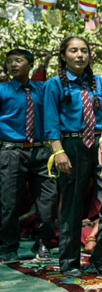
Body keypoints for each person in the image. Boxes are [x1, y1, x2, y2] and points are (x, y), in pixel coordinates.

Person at [44, 37, 102, 277]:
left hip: (100, 144)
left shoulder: (97, 82)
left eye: (84, 51)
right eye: (74, 50)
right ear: (63, 56)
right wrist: (58, 151)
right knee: (72, 204)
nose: (80, 55)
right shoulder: (54, 84)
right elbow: (50, 122)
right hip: (71, 145)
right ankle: (69, 262)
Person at [0, 49, 57, 263]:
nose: (13, 65)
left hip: (42, 151)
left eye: (18, 60)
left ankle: (43, 243)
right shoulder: (2, 90)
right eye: (9, 61)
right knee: (9, 202)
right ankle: (8, 247)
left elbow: (63, 84)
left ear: (30, 64)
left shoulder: (42, 89)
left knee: (48, 200)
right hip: (11, 151)